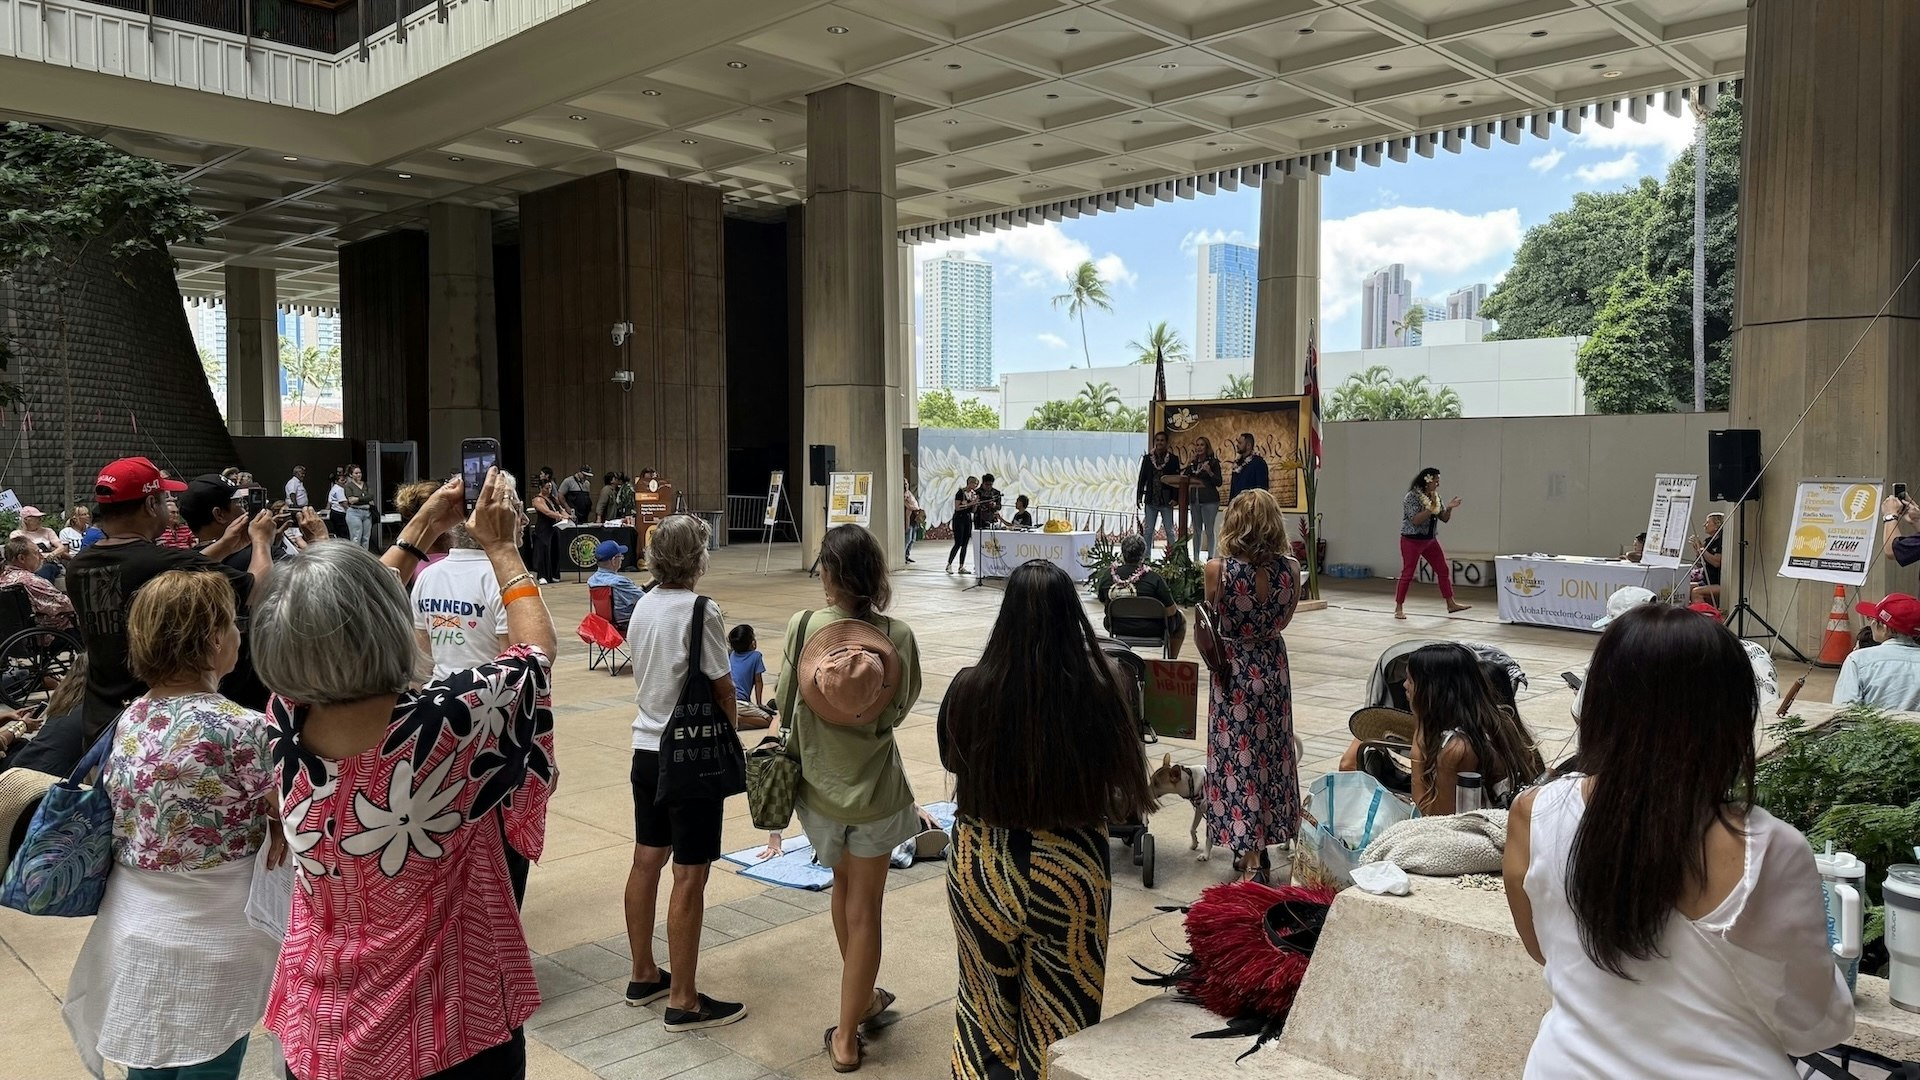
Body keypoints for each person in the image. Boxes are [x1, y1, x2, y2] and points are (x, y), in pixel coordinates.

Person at [255, 470, 557, 1080]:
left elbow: (341, 619)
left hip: (323, 1028)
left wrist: (421, 528)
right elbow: (535, 653)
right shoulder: (447, 719)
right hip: (454, 1023)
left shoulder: (283, 716)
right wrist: (502, 547)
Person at [1504, 604, 1854, 1078]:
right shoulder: (1768, 848)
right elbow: (1812, 1025)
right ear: (1730, 717)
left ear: (1599, 703)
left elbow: (1544, 949)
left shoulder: (1533, 813)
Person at [61, 570, 283, 1080]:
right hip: (220, 931)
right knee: (212, 1054)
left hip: (136, 923)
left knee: (149, 1057)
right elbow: (284, 810)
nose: (238, 634)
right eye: (231, 623)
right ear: (210, 640)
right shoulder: (244, 727)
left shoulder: (131, 718)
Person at [938, 559, 1155, 1079]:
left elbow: (951, 759)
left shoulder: (969, 687)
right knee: (1061, 1025)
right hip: (1070, 869)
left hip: (984, 863)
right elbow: (1123, 786)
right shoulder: (1107, 688)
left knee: (984, 1015)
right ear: (1072, 616)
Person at [763, 524, 923, 1071]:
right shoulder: (896, 636)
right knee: (867, 909)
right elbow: (899, 709)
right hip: (876, 790)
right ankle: (849, 1032)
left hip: (819, 792)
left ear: (830, 573)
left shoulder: (803, 627)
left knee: (842, 892)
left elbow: (784, 705)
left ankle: (860, 1005)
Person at [620, 514, 748, 1030]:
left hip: (645, 749)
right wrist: (733, 731)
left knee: (645, 861)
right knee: (690, 873)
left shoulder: (643, 603)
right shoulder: (702, 611)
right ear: (698, 558)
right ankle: (684, 999)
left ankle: (643, 972)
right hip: (690, 757)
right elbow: (721, 687)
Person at [66, 458, 275, 743]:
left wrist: (224, 545)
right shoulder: (158, 560)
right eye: (166, 499)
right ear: (152, 505)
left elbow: (159, 573)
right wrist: (262, 542)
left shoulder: (78, 567)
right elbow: (257, 588)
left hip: (100, 725)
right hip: (160, 724)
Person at [1203, 489, 1301, 881]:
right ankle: (1264, 839)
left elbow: (1212, 619)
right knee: (1271, 757)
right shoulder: (1290, 569)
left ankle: (1251, 852)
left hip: (1234, 670)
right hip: (1272, 667)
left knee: (1237, 758)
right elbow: (1285, 620)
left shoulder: (1218, 570)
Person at [1398, 643, 1544, 814]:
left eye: (1410, 679)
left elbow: (1433, 815)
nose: (1405, 685)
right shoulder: (1499, 720)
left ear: (1431, 690)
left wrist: (1419, 736)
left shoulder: (1458, 749)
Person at [411, 521, 512, 682]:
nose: (525, 522)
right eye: (518, 512)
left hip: (438, 694)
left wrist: (421, 700)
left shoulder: (428, 575)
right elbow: (512, 665)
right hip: (487, 696)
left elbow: (422, 659)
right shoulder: (503, 579)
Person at [1395, 466, 1470, 620]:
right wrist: (1430, 509)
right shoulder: (1411, 497)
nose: (1438, 484)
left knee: (1443, 569)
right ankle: (1399, 607)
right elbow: (1415, 520)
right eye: (1436, 481)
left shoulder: (1436, 497)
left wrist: (1449, 508)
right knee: (1408, 573)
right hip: (1411, 540)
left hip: (1429, 540)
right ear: (1427, 481)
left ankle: (1451, 603)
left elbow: (1444, 518)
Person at [1097, 534, 1184, 657]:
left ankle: (1123, 658)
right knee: (1182, 619)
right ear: (1143, 554)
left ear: (1122, 553)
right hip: (1152, 628)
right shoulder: (1154, 578)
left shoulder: (1108, 576)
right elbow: (1171, 610)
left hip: (1117, 626)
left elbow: (1102, 600)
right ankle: (1171, 661)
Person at [1833, 593, 1920, 712]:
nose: (1872, 623)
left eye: (1874, 619)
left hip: (1871, 729)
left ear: (1884, 628)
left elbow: (1844, 712)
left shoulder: (1858, 660)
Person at [0, 537, 74, 629]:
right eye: (36, 553)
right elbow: (66, 605)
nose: (41, 556)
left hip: (16, 635)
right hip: (51, 635)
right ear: (22, 558)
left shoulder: (4, 578)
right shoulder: (30, 581)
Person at [1135, 432, 1181, 556]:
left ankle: (1174, 557)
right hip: (1151, 500)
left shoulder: (1173, 459)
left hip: (1166, 501)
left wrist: (1175, 498)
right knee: (1148, 531)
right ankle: (1146, 557)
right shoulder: (1147, 459)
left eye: (1162, 440)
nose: (1159, 443)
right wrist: (1139, 497)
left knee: (1169, 531)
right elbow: (1142, 478)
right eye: (1157, 440)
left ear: (1166, 442)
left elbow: (1177, 480)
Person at [727, 623, 776, 730]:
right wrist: (759, 703)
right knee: (770, 721)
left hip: (728, 700)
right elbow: (758, 682)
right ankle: (739, 718)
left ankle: (735, 720)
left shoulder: (731, 654)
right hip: (741, 702)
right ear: (752, 643)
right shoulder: (756, 656)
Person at [1184, 435, 1223, 560]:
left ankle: (1210, 558)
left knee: (1209, 530)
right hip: (1195, 500)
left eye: (1202, 445)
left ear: (1207, 447)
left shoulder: (1213, 462)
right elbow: (1184, 477)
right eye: (1197, 445)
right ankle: (1195, 559)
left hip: (1209, 501)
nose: (1199, 447)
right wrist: (1189, 461)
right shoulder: (1193, 463)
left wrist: (1210, 472)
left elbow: (1218, 481)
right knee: (1196, 530)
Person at [588, 538, 643, 627]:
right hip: (627, 623)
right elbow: (644, 599)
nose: (622, 559)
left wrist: (644, 586)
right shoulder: (620, 582)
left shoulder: (592, 581)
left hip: (606, 624)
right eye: (620, 556)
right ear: (613, 560)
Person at [530, 466, 569, 585]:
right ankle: (542, 575)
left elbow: (560, 509)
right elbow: (546, 512)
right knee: (543, 551)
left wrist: (567, 515)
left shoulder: (553, 498)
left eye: (551, 487)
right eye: (547, 488)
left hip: (555, 527)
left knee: (555, 550)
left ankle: (554, 574)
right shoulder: (538, 499)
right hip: (543, 528)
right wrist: (560, 516)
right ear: (541, 488)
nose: (549, 489)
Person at [12, 507, 71, 580]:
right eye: (37, 518)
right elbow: (17, 552)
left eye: (40, 517)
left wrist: (52, 554)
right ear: (26, 520)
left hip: (47, 562)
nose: (40, 520)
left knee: (46, 569)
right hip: (27, 565)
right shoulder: (16, 534)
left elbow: (61, 547)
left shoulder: (48, 531)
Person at [1690, 512, 1726, 609]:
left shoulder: (1721, 542)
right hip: (1706, 581)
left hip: (1718, 583)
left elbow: (1716, 563)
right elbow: (1700, 565)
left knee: (1696, 592)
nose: (1704, 525)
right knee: (1686, 587)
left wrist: (1702, 550)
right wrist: (1697, 551)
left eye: (1707, 523)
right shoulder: (1708, 541)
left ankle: (1703, 617)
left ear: (1716, 526)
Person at [946, 476, 978, 575]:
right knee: (958, 543)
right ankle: (949, 564)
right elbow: (957, 507)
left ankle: (961, 566)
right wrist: (970, 503)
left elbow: (973, 511)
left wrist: (975, 504)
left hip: (967, 519)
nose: (975, 486)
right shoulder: (961, 493)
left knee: (965, 544)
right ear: (970, 483)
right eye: (974, 484)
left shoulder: (972, 494)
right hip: (959, 518)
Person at [1227, 432, 1268, 501]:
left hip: (1250, 504)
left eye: (1240, 443)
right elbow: (1233, 488)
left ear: (1248, 445)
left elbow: (1261, 489)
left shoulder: (1258, 463)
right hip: (1237, 503)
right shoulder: (1237, 463)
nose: (1237, 445)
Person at [343, 464, 372, 548]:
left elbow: (371, 496)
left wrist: (358, 499)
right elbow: (351, 499)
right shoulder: (348, 486)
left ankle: (365, 557)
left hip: (367, 512)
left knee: (366, 537)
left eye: (360, 473)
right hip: (354, 512)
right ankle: (356, 558)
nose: (359, 475)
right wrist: (363, 498)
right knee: (356, 537)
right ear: (351, 475)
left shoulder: (366, 484)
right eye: (356, 473)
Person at [903, 480, 921, 564]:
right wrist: (914, 507)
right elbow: (908, 505)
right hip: (909, 519)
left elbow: (915, 505)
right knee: (908, 539)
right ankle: (902, 556)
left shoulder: (909, 493)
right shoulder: (903, 495)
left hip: (914, 519)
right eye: (904, 484)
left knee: (913, 539)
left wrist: (915, 507)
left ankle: (907, 555)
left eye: (906, 483)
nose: (905, 485)